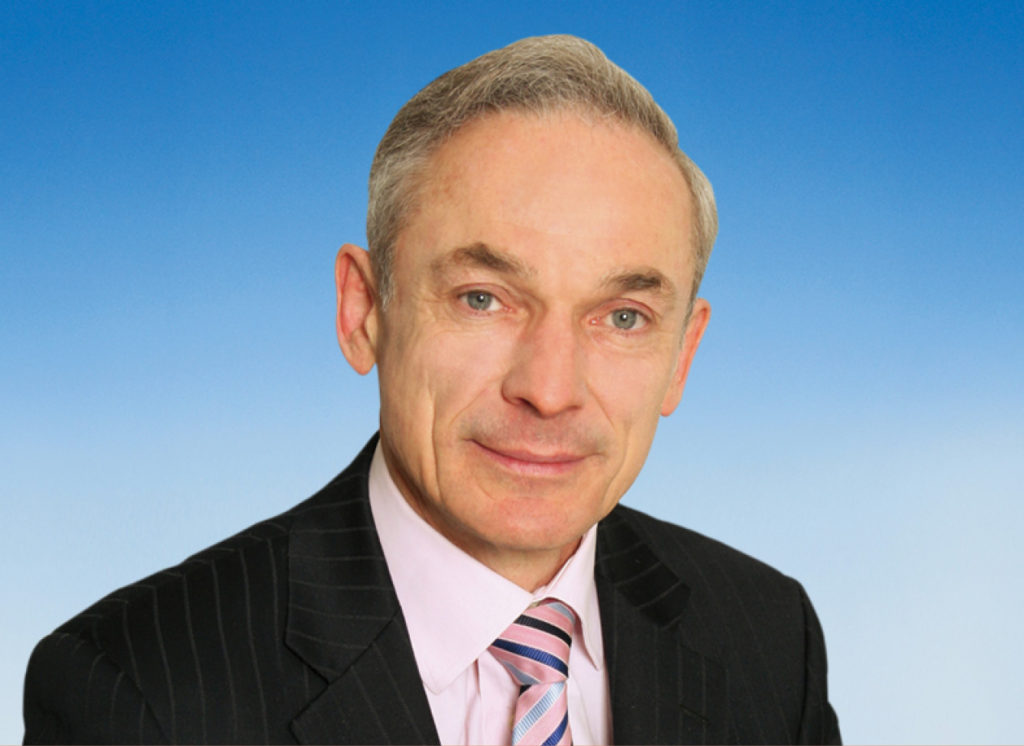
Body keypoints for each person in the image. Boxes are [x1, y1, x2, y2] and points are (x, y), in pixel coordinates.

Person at [23, 34, 840, 745]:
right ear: (363, 312)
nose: (550, 390)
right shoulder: (138, 687)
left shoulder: (768, 638)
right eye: (483, 299)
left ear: (683, 355)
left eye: (622, 317)